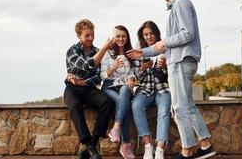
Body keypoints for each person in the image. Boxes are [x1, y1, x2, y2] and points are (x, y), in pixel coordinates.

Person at [127, 0, 216, 159]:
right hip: (180, 61)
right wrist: (142, 52)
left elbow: (187, 34)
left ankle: (187, 151)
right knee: (187, 106)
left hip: (182, 62)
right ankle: (205, 145)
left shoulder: (181, 4)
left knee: (178, 108)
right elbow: (164, 47)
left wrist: (165, 41)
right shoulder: (176, 7)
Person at [64, 18, 115, 159]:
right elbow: (88, 65)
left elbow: (99, 77)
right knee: (74, 105)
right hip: (72, 89)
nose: (91, 38)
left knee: (107, 102)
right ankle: (88, 144)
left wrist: (83, 82)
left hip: (89, 88)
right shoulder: (72, 51)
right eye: (87, 35)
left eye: (92, 34)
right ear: (79, 36)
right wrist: (104, 50)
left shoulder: (98, 51)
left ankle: (94, 140)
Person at [131, 21, 171, 159]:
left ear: (156, 33)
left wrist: (166, 66)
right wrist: (142, 69)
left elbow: (172, 74)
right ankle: (148, 146)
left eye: (151, 33)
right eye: (145, 34)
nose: (149, 37)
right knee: (136, 106)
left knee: (164, 110)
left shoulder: (164, 48)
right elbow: (135, 75)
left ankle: (160, 149)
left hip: (162, 89)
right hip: (145, 88)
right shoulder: (138, 52)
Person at [100, 25, 136, 159]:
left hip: (124, 86)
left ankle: (115, 128)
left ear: (127, 38)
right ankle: (126, 144)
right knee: (125, 104)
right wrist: (113, 67)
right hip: (109, 86)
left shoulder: (130, 53)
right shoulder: (107, 53)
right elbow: (102, 76)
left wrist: (132, 79)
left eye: (124, 36)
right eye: (118, 36)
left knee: (125, 91)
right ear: (113, 38)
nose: (121, 39)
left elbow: (134, 73)